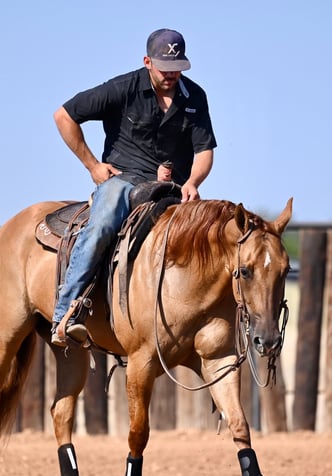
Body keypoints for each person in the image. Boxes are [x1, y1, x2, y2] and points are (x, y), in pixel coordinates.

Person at [51, 28, 217, 346]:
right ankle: (66, 314)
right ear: (147, 62)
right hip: (124, 181)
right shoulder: (122, 88)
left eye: (177, 67)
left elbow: (204, 150)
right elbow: (64, 115)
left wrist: (193, 183)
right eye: (163, 67)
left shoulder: (195, 97)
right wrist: (92, 166)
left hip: (174, 189)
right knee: (100, 226)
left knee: (209, 237)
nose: (171, 74)